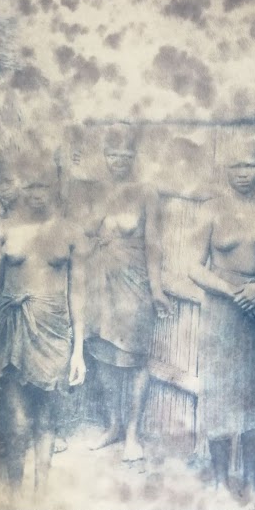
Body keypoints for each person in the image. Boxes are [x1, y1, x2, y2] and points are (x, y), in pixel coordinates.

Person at [189, 139, 255, 496]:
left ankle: (250, 483)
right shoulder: (210, 210)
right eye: (236, 166)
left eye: (250, 165)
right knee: (218, 397)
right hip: (222, 314)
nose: (243, 173)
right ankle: (220, 484)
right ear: (225, 169)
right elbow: (193, 267)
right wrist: (233, 292)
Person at [0, 154, 87, 498]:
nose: (37, 193)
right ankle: (15, 497)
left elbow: (78, 294)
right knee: (17, 423)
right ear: (20, 186)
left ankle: (40, 494)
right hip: (13, 332)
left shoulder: (71, 233)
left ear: (55, 186)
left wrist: (78, 351)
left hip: (54, 334)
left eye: (44, 186)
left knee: (46, 420)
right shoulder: (3, 231)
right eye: (30, 186)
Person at [86, 125, 170, 461]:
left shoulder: (147, 193)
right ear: (104, 155)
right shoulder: (96, 192)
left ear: (135, 156)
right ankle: (113, 426)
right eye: (113, 154)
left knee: (135, 360)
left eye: (126, 154)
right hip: (100, 284)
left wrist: (157, 289)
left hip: (134, 285)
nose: (119, 160)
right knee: (103, 357)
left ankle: (133, 434)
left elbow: (154, 244)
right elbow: (83, 235)